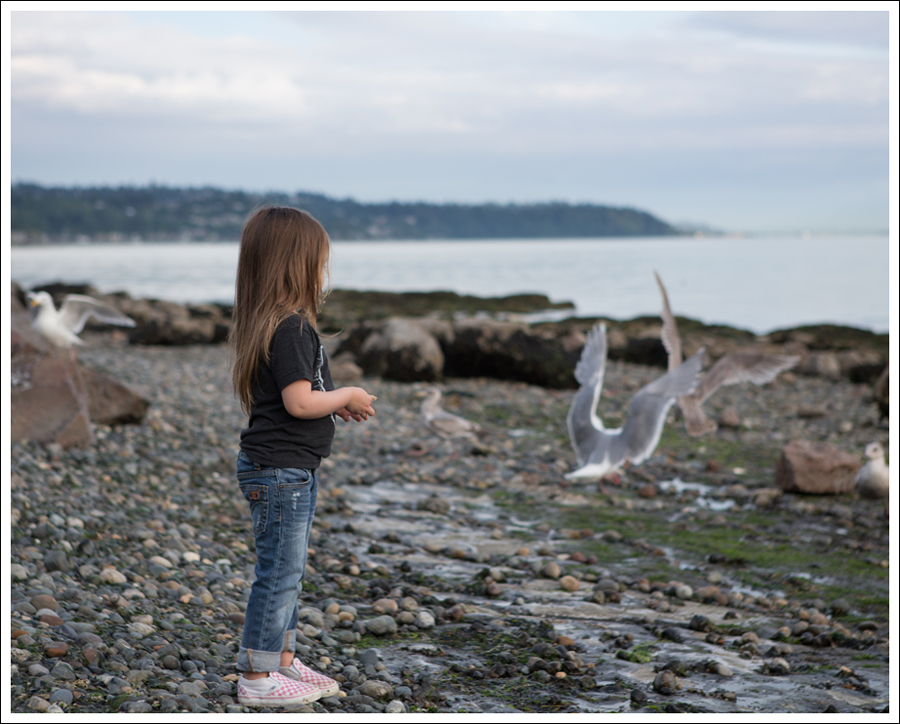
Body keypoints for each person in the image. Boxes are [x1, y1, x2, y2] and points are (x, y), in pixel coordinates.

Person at [228, 206, 377, 708]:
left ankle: (283, 660)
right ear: (296, 265)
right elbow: (299, 402)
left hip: (288, 470)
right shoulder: (290, 328)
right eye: (320, 263)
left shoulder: (276, 324)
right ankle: (257, 676)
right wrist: (347, 394)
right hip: (280, 472)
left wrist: (335, 402)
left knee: (287, 571)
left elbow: (303, 396)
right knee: (279, 574)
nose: (323, 273)